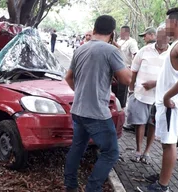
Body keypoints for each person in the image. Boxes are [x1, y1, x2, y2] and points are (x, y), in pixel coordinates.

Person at [64, 15, 131, 192]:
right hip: (96, 113)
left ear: (94, 29)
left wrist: (81, 93)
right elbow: (126, 79)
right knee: (111, 152)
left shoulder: (80, 49)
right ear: (112, 32)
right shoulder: (111, 51)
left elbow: (68, 78)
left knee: (77, 148)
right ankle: (92, 188)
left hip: (78, 110)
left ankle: (70, 186)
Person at [137, 7, 178, 192]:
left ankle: (162, 187)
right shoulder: (176, 43)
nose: (164, 26)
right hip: (166, 103)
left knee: (169, 144)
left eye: (167, 23)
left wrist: (167, 96)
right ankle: (164, 175)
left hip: (172, 104)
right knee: (165, 143)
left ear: (175, 23)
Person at [127, 25, 170, 165]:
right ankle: (138, 150)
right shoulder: (144, 50)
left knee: (153, 124)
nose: (164, 38)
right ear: (156, 36)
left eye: (167, 36)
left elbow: (173, 77)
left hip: (159, 97)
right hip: (141, 94)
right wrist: (131, 89)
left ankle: (147, 152)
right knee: (140, 123)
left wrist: (156, 83)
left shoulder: (172, 54)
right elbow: (134, 70)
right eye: (161, 35)